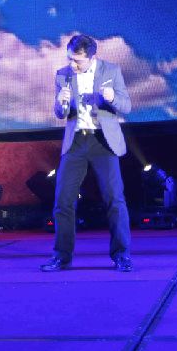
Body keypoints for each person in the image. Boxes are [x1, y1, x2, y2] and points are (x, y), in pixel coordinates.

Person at [41, 34, 134, 272]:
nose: (73, 64)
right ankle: (62, 257)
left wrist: (112, 97)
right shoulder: (63, 74)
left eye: (78, 61)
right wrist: (61, 103)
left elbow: (126, 105)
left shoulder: (111, 70)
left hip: (102, 141)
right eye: (70, 59)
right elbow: (60, 114)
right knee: (63, 201)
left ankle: (122, 255)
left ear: (92, 57)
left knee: (114, 199)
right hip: (76, 142)